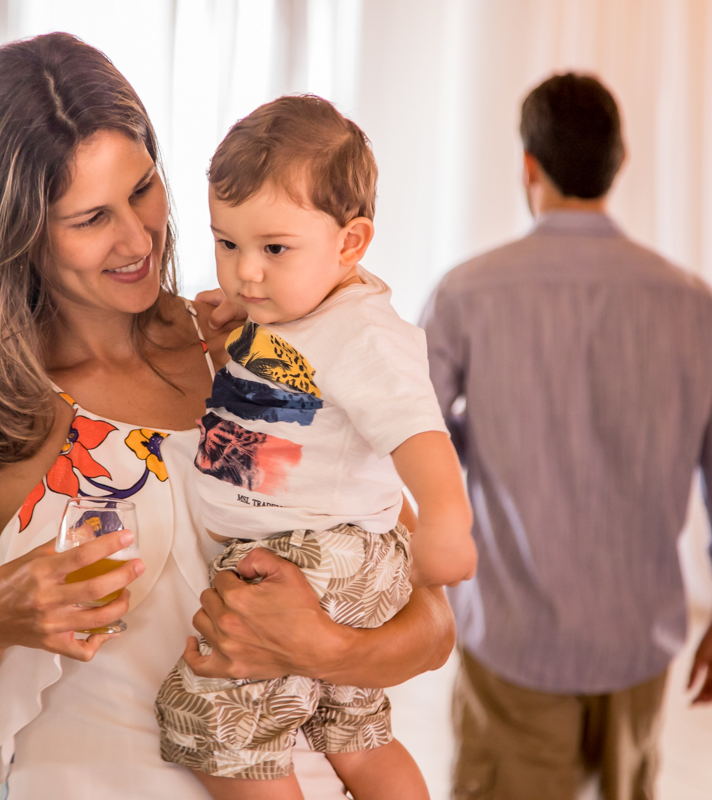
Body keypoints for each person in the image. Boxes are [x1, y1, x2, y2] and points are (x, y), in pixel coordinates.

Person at [0, 33, 456, 798]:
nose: (139, 238)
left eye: (143, 189)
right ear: (12, 233)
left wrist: (328, 649)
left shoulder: (254, 350)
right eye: (90, 218)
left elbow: (432, 621)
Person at [420, 73, 712, 800]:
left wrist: (482, 437)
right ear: (620, 162)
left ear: (529, 166)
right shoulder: (697, 306)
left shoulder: (466, 293)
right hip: (637, 641)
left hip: (513, 637)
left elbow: (410, 431)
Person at [153, 96, 475, 800]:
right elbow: (292, 380)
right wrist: (238, 326)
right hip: (324, 553)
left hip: (317, 554)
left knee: (214, 723)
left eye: (274, 249)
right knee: (353, 735)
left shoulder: (365, 334)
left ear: (351, 244)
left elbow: (416, 428)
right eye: (227, 243)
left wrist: (447, 519)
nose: (246, 272)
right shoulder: (299, 311)